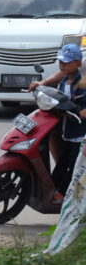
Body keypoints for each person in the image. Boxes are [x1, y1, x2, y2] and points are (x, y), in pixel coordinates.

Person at [50, 44, 86, 198]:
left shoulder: (82, 83)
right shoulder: (64, 80)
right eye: (60, 62)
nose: (62, 65)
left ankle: (63, 192)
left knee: (73, 164)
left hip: (79, 132)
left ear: (78, 64)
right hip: (67, 130)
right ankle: (51, 187)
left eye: (66, 62)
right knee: (62, 160)